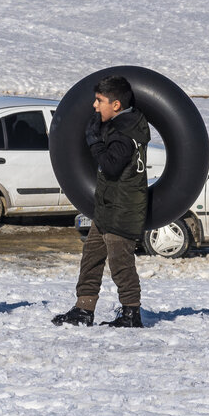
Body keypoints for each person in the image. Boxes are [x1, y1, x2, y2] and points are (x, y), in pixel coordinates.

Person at [53, 75, 150, 329]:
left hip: (122, 208)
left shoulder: (124, 133)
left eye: (99, 101)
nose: (94, 106)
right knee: (92, 257)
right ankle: (84, 308)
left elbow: (110, 166)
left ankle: (131, 313)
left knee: (120, 262)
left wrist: (94, 141)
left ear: (116, 105)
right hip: (108, 206)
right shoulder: (124, 123)